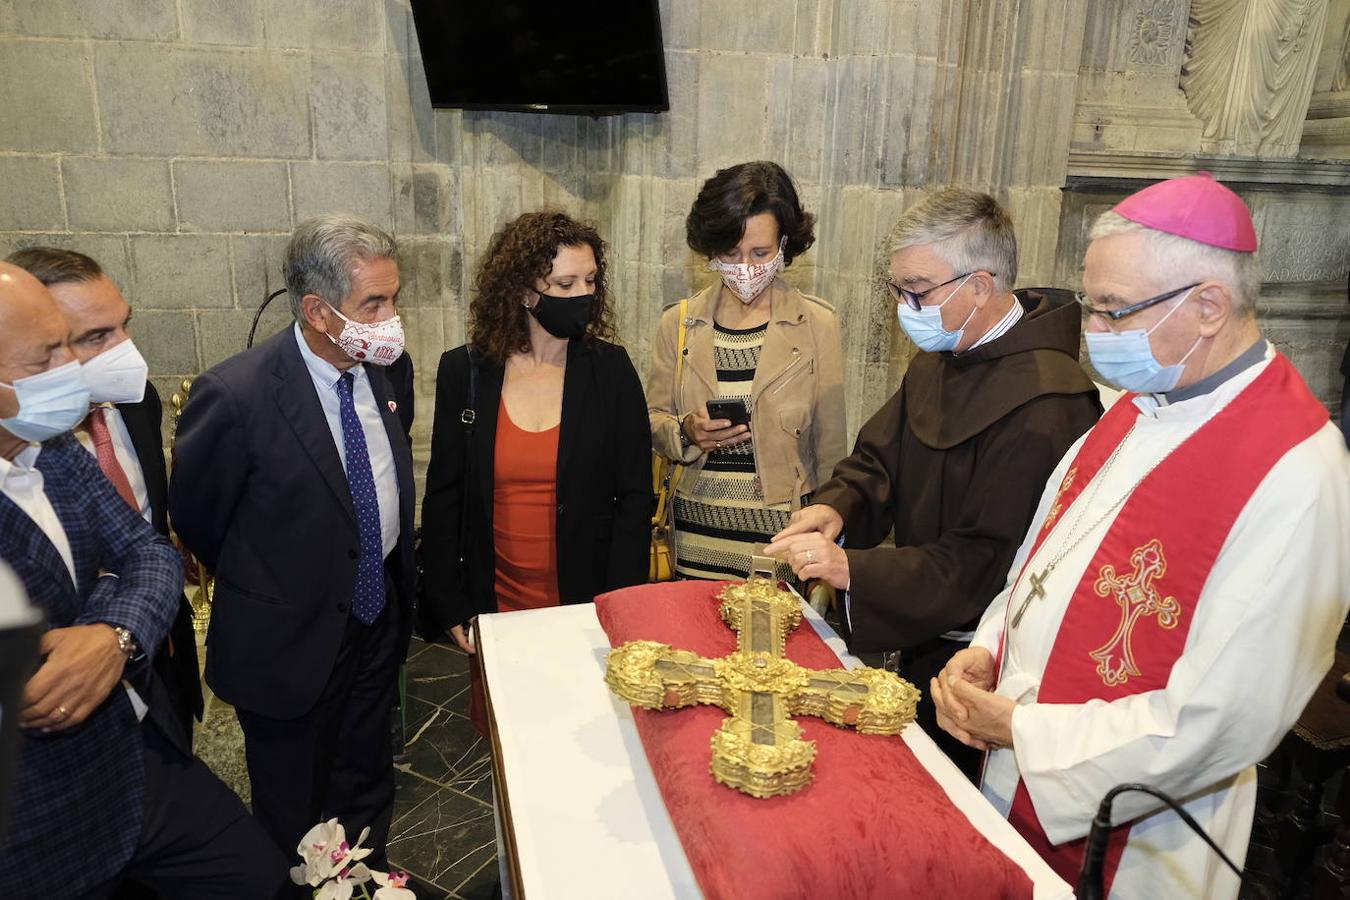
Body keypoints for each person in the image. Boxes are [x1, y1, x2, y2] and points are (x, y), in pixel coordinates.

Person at [932, 173, 1350, 898]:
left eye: (1112, 311)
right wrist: (988, 647)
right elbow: (1045, 561)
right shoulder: (1144, 401)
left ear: (1210, 305)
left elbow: (1221, 723)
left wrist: (1026, 734)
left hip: (1139, 836)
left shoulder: (1296, 472)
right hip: (1015, 763)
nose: (1091, 332)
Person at [764, 189, 1101, 776]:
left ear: (979, 286)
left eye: (918, 290)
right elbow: (879, 460)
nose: (906, 306)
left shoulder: (1049, 401)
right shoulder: (944, 356)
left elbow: (984, 560)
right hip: (921, 632)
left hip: (983, 665)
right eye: (899, 290)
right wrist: (837, 508)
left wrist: (854, 571)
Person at [0, 263, 285, 898]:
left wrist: (112, 631)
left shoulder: (49, 446)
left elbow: (150, 552)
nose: (72, 370)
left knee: (262, 878)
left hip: (138, 759)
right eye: (50, 352)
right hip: (35, 822)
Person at [169, 216, 417, 867]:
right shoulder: (236, 395)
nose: (391, 318)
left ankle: (360, 881)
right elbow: (200, 519)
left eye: (394, 298)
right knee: (293, 804)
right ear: (317, 310)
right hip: (286, 643)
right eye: (375, 303)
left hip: (373, 618)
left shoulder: (386, 372)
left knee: (366, 779)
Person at [420, 210, 650, 658]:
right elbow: (445, 495)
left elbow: (635, 497)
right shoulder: (465, 371)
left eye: (590, 280)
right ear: (525, 292)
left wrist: (620, 603)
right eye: (565, 285)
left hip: (587, 606)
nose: (583, 294)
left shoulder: (612, 370)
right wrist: (448, 598)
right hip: (494, 604)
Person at [5, 246, 203, 745]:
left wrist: (130, 625)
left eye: (123, 325)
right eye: (95, 337)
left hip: (161, 649)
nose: (126, 350)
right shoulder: (39, 447)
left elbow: (149, 543)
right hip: (65, 706)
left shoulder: (136, 403)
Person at [648, 160, 845, 584]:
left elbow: (831, 452)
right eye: (730, 253)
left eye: (760, 253)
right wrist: (688, 432)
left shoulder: (817, 324)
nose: (746, 267)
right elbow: (652, 422)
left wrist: (827, 545)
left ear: (785, 244)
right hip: (696, 540)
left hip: (778, 547)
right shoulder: (678, 323)